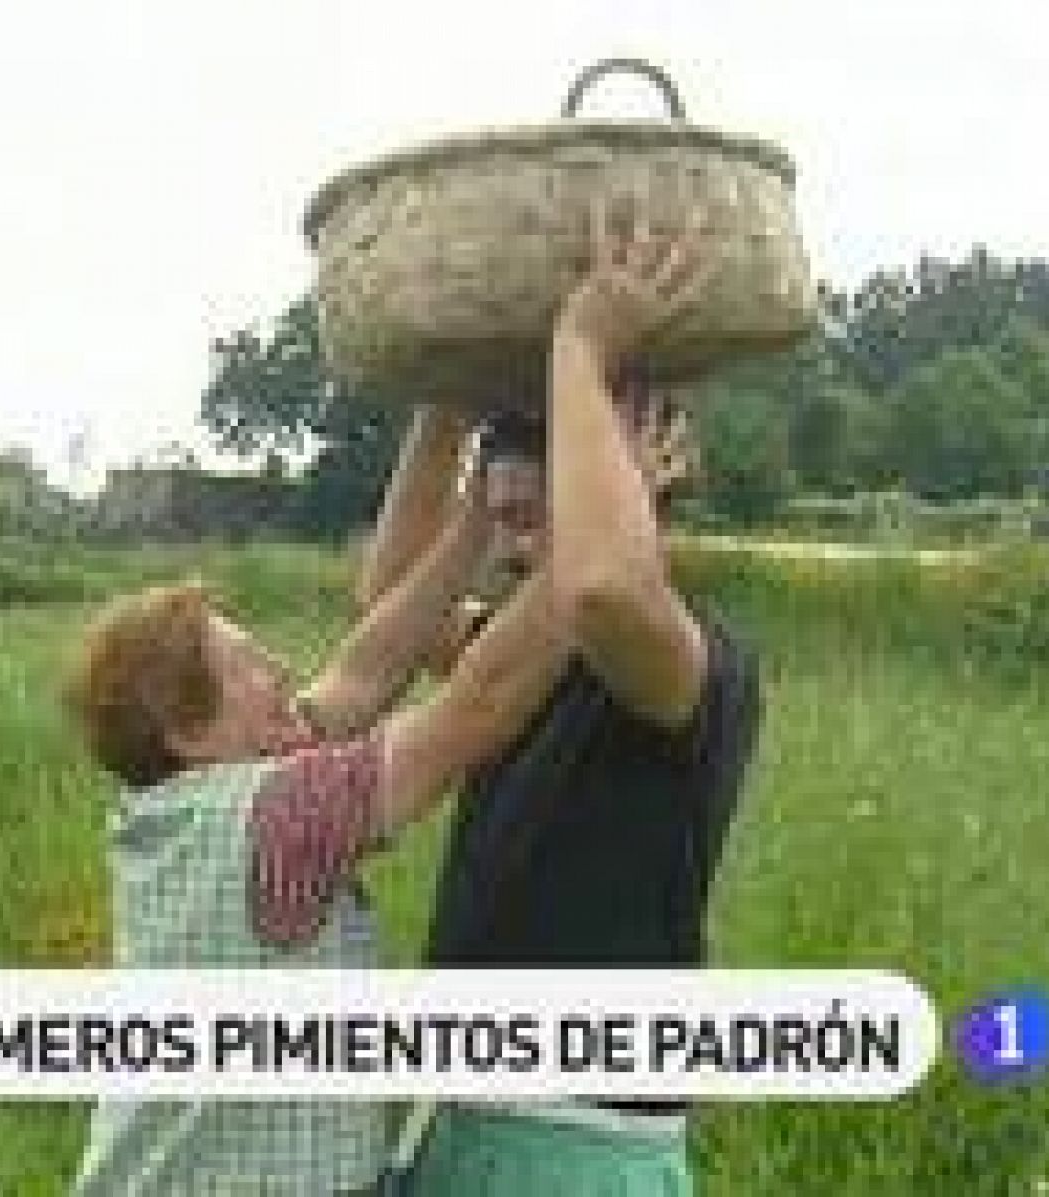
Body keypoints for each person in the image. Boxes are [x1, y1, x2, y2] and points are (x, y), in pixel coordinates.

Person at [360, 203, 764, 1196]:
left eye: (535, 517)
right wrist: (444, 401)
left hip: (579, 1142)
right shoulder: (517, 656)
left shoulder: (684, 660)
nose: (514, 547)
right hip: (467, 1115)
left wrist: (581, 349)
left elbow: (601, 584)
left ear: (632, 488)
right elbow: (390, 607)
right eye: (500, 523)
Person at [62, 456, 571, 1196]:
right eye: (246, 666)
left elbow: (365, 672)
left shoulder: (167, 807)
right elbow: (479, 706)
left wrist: (473, 518)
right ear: (186, 728)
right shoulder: (275, 813)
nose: (278, 668)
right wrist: (603, 524)